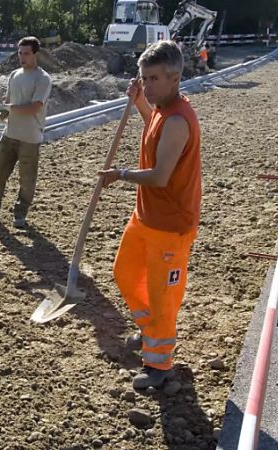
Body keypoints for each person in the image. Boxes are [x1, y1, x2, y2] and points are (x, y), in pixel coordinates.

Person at [97, 40, 202, 390]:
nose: (147, 84)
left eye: (153, 79)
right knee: (125, 272)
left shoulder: (178, 121)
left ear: (174, 77)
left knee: (163, 296)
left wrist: (121, 175)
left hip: (171, 226)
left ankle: (160, 366)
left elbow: (159, 177)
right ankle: (150, 330)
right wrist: (141, 102)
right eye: (144, 77)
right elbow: (151, 128)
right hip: (145, 217)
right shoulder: (160, 108)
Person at [0, 36, 52, 229]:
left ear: (35, 54)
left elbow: (33, 108)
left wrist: (4, 107)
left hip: (29, 138)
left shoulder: (43, 79)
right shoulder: (14, 75)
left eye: (26, 53)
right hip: (9, 135)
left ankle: (20, 214)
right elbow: (7, 108)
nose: (22, 57)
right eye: (19, 53)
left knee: (26, 180)